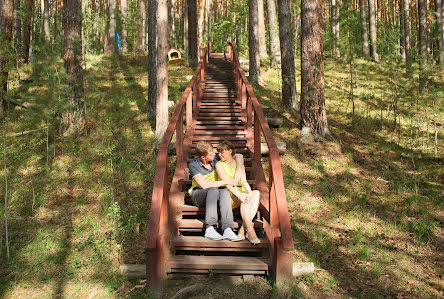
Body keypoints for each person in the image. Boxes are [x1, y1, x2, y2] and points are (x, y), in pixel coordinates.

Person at [188, 141, 244, 241]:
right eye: (211, 154)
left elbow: (238, 155)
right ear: (203, 157)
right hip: (198, 194)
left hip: (214, 194)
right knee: (213, 190)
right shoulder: (194, 165)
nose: (215, 154)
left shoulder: (215, 158)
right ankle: (210, 228)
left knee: (225, 192)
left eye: (214, 152)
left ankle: (227, 229)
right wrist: (226, 181)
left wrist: (239, 169)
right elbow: (204, 185)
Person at [215, 141, 261, 245]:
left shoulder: (238, 164)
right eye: (218, 152)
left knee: (256, 193)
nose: (219, 155)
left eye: (222, 152)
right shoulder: (219, 165)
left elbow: (243, 181)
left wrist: (250, 193)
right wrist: (240, 195)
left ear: (230, 151)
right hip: (228, 193)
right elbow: (227, 183)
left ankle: (242, 230)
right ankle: (250, 230)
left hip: (240, 191)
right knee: (245, 198)